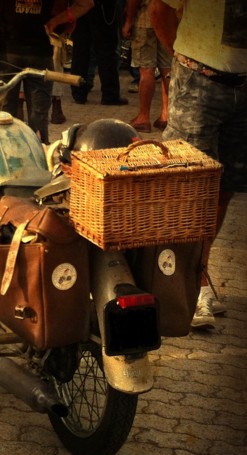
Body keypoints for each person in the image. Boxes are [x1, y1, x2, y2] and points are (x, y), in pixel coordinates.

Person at [149, 0, 247, 328]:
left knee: (226, 187)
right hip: (197, 79)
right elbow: (158, 9)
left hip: (242, 88)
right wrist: (185, 61)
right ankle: (178, 286)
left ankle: (198, 274)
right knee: (189, 188)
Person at [0, 0, 93, 144]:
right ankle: (38, 156)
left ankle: (7, 156)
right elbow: (86, 3)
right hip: (32, 53)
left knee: (4, 114)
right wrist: (57, 20)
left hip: (12, 52)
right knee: (36, 117)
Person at [122, 0, 171, 133]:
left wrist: (129, 20)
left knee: (146, 69)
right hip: (167, 20)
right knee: (167, 69)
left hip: (146, 19)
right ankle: (167, 116)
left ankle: (143, 117)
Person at [69, 0, 129, 105]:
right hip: (102, 7)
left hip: (80, 6)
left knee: (80, 51)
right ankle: (110, 94)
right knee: (106, 51)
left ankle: (78, 93)